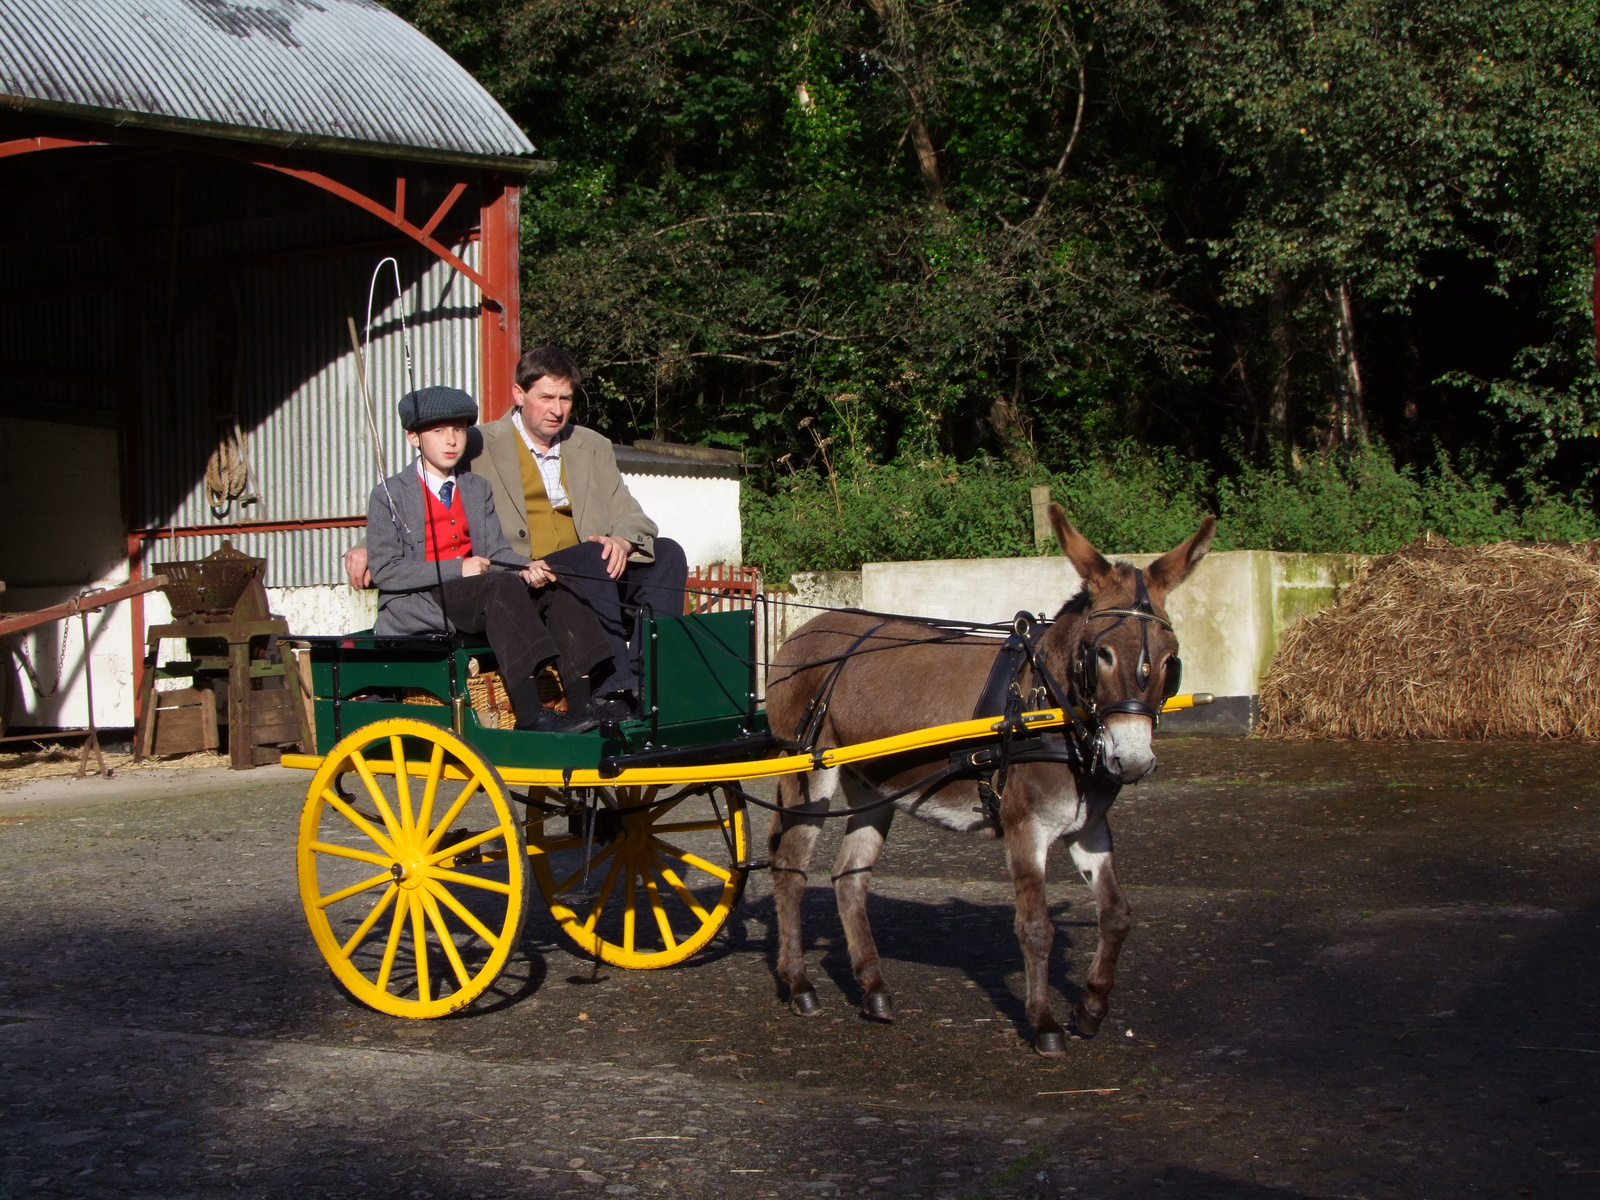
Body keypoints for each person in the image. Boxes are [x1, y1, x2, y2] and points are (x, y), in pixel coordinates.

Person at [347, 347, 688, 716]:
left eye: (565, 398)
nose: (557, 409)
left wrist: (621, 540)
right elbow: (422, 487)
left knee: (668, 553)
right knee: (592, 555)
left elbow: (634, 517)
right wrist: (368, 545)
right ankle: (611, 687)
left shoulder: (592, 446)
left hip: (594, 568)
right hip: (528, 570)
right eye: (546, 397)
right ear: (519, 394)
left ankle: (651, 678)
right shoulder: (477, 441)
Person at [366, 385, 614, 734]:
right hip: (423, 601)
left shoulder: (475, 487)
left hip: (478, 595)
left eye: (458, 430)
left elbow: (496, 552)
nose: (451, 440)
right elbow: (386, 570)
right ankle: (530, 713)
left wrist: (526, 566)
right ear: (413, 438)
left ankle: (583, 704)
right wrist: (459, 568)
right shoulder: (389, 495)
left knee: (558, 579)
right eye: (438, 431)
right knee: (497, 587)